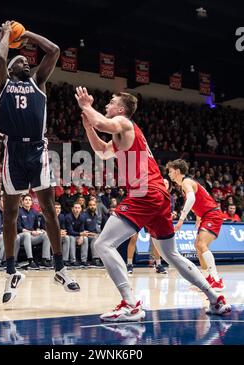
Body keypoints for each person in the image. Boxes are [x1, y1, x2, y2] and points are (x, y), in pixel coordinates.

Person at [75, 87, 231, 321]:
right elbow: (101, 150)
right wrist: (88, 127)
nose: (107, 104)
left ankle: (131, 304)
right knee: (171, 254)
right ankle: (215, 298)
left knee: (103, 244)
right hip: (157, 194)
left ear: (121, 109)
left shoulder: (123, 122)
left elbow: (103, 124)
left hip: (144, 193)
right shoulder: (121, 135)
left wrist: (86, 105)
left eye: (111, 101)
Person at [0, 20, 79, 303]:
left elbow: (53, 50)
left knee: (49, 211)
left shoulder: (38, 82)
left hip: (38, 151)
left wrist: (25, 33)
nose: (26, 64)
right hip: (13, 153)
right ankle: (10, 271)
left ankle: (60, 268)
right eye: (20, 62)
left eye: (28, 62)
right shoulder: (3, 84)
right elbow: (0, 56)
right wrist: (7, 35)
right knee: (10, 215)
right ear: (10, 70)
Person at [168, 159, 225, 291]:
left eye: (170, 171)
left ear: (177, 171)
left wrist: (181, 219)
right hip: (206, 215)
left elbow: (192, 199)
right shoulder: (187, 183)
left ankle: (217, 280)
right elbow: (200, 198)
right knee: (197, 245)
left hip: (212, 214)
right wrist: (198, 217)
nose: (169, 174)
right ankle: (207, 279)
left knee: (201, 245)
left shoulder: (186, 182)